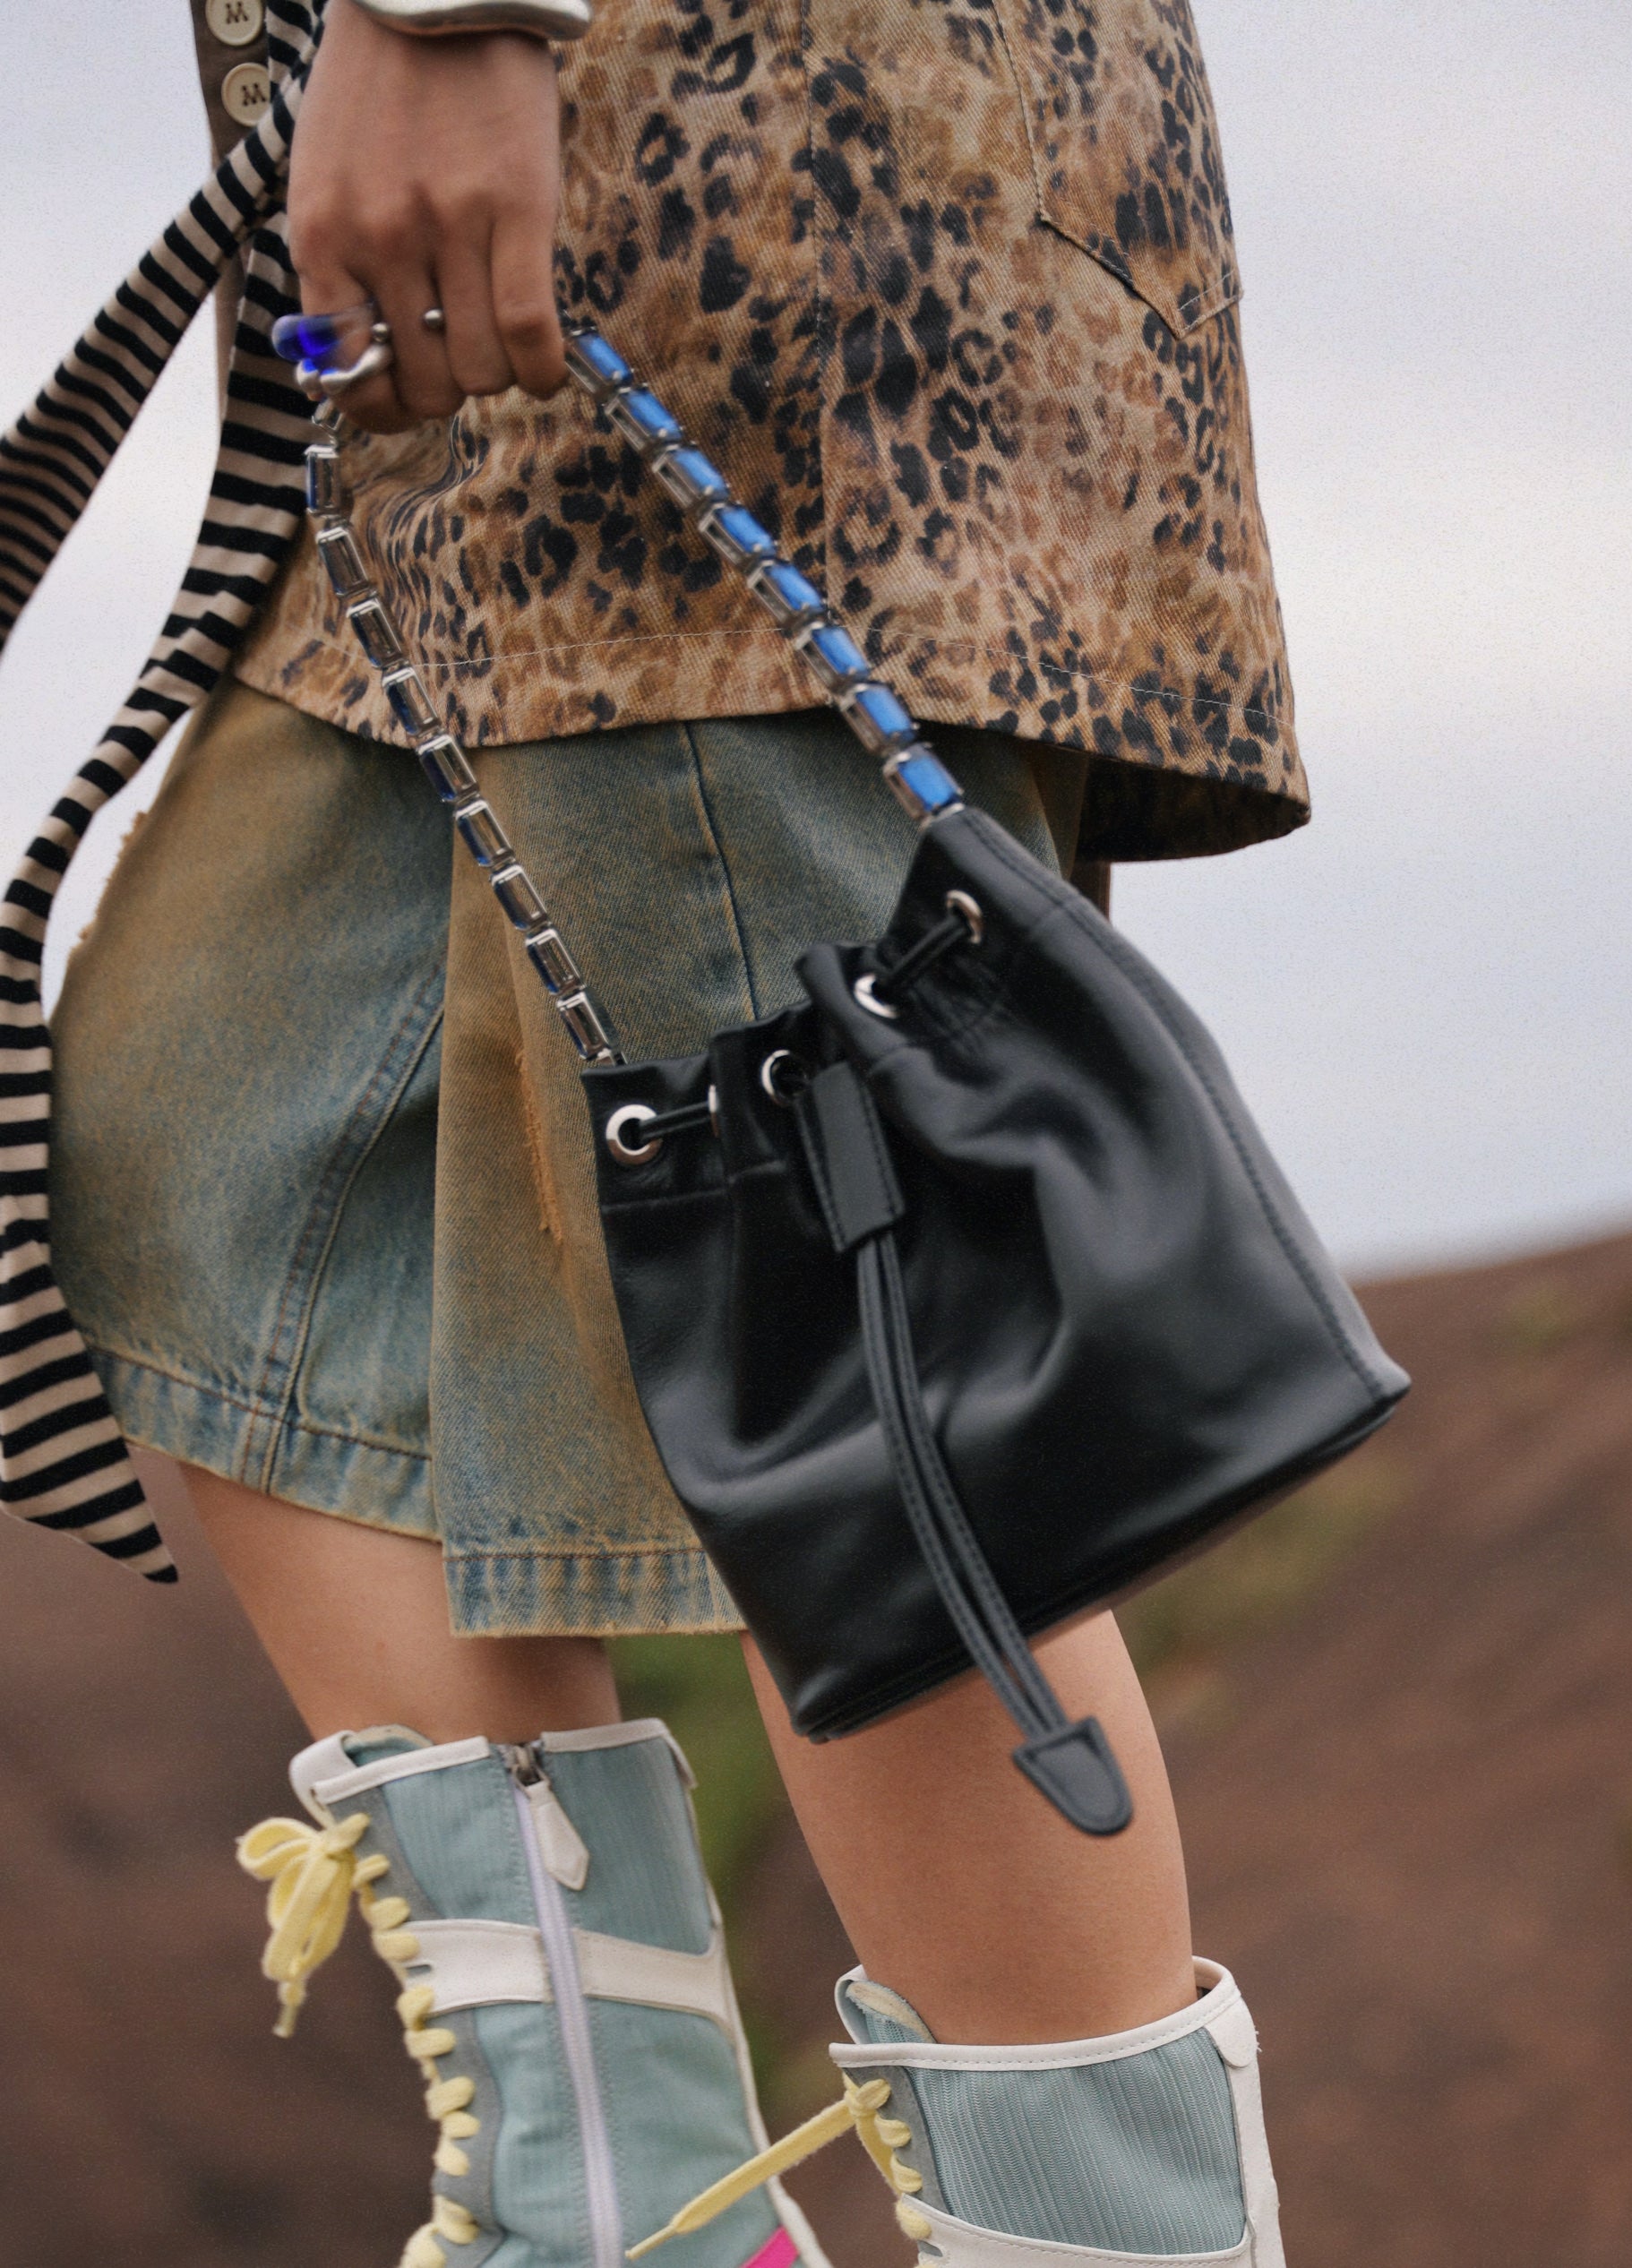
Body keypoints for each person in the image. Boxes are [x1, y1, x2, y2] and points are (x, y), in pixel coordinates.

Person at [40, 0, 1305, 2261]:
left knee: (851, 1373)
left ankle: (1102, 2239)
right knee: (207, 1144)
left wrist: (448, 17)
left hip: (723, 218)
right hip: (454, 403)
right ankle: (620, 2215)